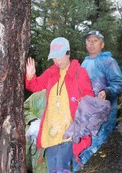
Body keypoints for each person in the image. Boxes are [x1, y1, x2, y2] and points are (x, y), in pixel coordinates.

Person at [25, 37, 94, 172]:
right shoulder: (51, 73)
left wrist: (81, 102)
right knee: (52, 169)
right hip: (51, 131)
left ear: (68, 53)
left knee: (61, 168)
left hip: (69, 130)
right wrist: (30, 76)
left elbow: (89, 97)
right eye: (54, 57)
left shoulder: (79, 73)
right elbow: (35, 86)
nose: (57, 60)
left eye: (60, 56)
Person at [74, 30, 122, 169]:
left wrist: (106, 92)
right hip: (86, 114)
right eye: (89, 41)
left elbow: (118, 84)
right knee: (84, 146)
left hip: (104, 114)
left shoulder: (108, 61)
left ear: (102, 44)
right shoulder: (84, 63)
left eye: (95, 40)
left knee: (100, 148)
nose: (91, 43)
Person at [24, 90, 47, 173]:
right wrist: (33, 120)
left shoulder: (72, 97)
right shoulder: (39, 96)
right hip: (35, 145)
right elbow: (23, 109)